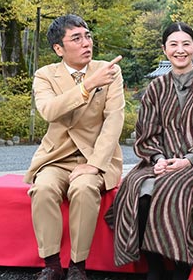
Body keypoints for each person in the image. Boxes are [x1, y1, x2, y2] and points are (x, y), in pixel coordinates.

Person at [107, 22, 193, 280]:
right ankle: (154, 267)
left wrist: (189, 159)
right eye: (173, 45)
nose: (180, 50)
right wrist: (158, 159)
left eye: (186, 44)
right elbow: (146, 132)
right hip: (161, 159)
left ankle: (181, 266)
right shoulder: (156, 87)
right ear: (165, 50)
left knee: (172, 188)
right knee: (135, 188)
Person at [25, 14, 125, 280]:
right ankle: (51, 264)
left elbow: (114, 120)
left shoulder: (109, 70)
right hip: (56, 157)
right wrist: (88, 85)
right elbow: (49, 110)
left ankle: (78, 266)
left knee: (83, 189)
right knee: (43, 189)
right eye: (76, 38)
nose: (86, 43)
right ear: (59, 49)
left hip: (94, 156)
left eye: (88, 36)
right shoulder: (45, 75)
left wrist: (94, 164)